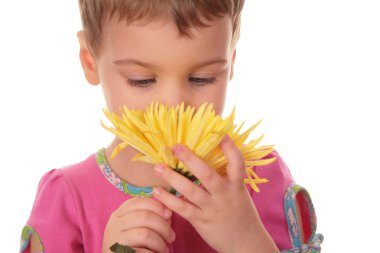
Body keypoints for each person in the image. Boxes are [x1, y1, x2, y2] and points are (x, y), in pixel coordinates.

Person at [20, 0, 323, 252]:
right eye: (142, 81)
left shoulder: (260, 177)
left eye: (202, 78)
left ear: (230, 62)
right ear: (89, 61)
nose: (175, 106)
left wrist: (248, 241)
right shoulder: (68, 199)